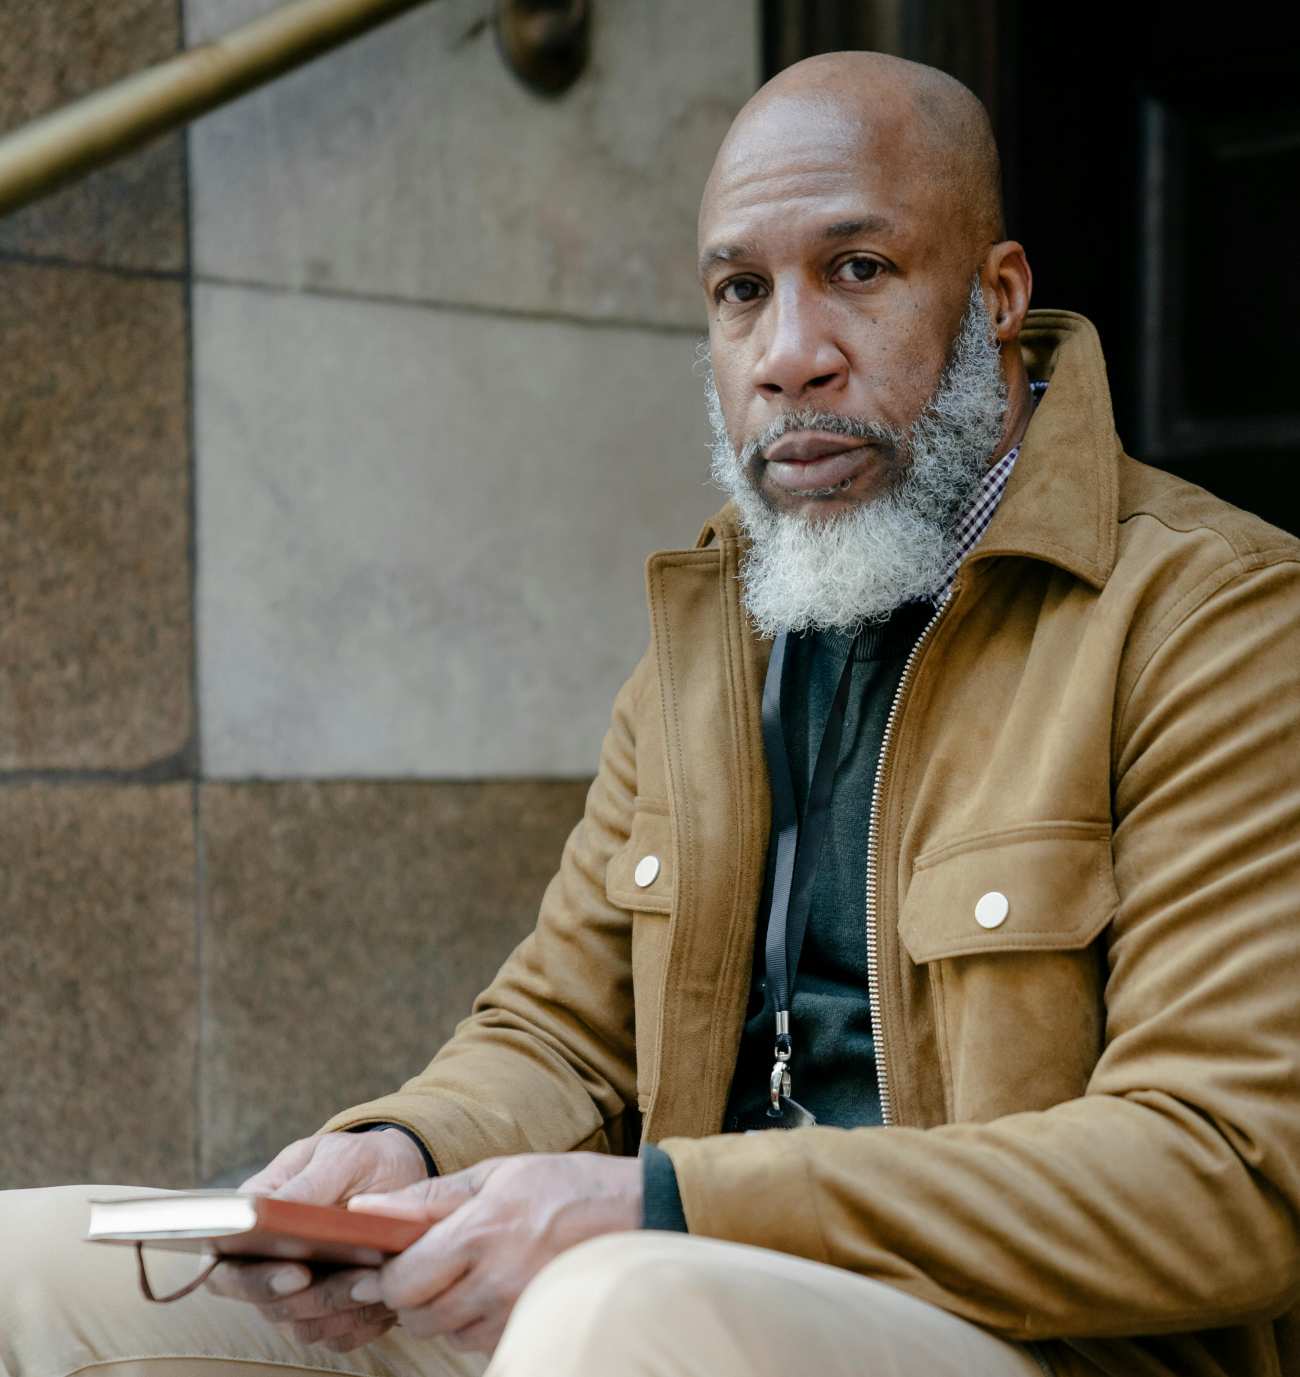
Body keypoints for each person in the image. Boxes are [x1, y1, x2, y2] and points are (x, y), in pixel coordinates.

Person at [4, 49, 1300, 1377]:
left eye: (858, 270)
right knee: (32, 1275)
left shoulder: (1217, 622)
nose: (788, 357)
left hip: (1030, 1344)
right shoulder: (717, 631)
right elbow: (562, 1032)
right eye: (743, 292)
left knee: (613, 1312)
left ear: (998, 298)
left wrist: (670, 1208)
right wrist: (403, 1151)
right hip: (665, 1289)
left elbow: (1230, 1170)